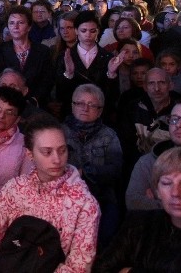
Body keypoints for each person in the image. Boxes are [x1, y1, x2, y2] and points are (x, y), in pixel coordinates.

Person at [0, 115, 101, 273]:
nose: (57, 159)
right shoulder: (14, 189)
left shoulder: (85, 203)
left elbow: (78, 265)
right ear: (30, 154)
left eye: (62, 150)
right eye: (47, 152)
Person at [93, 147, 181, 272]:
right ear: (157, 190)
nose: (175, 192)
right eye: (166, 183)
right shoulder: (138, 223)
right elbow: (101, 269)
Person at [63, 84, 122, 249]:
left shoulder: (109, 136)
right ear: (72, 105)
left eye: (92, 105)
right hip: (66, 198)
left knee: (105, 239)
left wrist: (85, 172)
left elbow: (115, 169)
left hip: (101, 198)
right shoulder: (60, 132)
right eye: (80, 103)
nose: (85, 108)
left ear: (100, 110)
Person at [125, 98, 181, 210]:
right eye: (174, 119)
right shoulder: (147, 162)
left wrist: (159, 202)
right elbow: (133, 201)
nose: (178, 125)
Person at [0, 6, 55, 107]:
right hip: (7, 104)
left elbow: (47, 81)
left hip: (35, 105)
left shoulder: (42, 51)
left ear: (29, 27)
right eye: (11, 23)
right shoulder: (0, 50)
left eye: (20, 23)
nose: (15, 27)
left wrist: (33, 100)